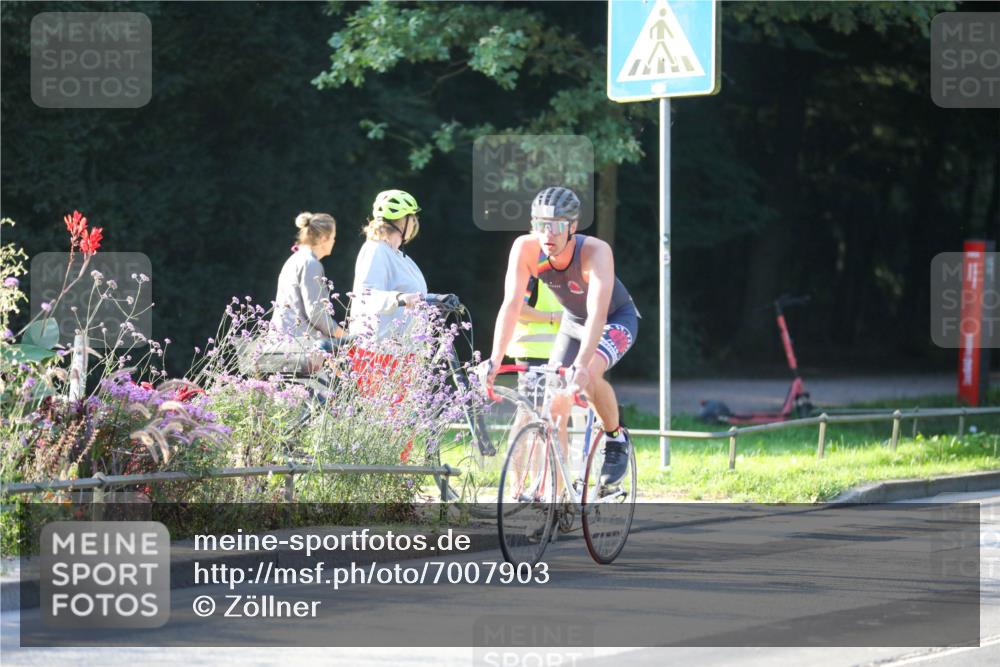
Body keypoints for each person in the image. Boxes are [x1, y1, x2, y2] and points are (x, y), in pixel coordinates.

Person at [482, 186, 639, 486]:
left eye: (556, 226)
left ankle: (615, 438)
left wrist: (580, 365)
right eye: (541, 225)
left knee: (589, 374)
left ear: (573, 227)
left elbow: (597, 314)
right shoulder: (525, 249)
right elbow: (512, 304)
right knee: (553, 406)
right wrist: (494, 360)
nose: (548, 234)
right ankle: (559, 495)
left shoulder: (594, 252)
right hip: (572, 322)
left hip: (614, 319)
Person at [268, 212, 345, 365]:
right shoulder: (311, 264)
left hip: (282, 345)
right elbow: (316, 313)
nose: (335, 241)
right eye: (334, 237)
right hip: (301, 352)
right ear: (324, 238)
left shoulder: (295, 259)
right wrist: (343, 335)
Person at [347, 189, 427, 338]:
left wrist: (439, 299)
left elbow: (412, 295)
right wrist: (398, 298)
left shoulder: (402, 258)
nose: (415, 223)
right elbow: (367, 295)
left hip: (403, 351)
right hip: (377, 353)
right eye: (413, 217)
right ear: (404, 221)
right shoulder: (375, 249)